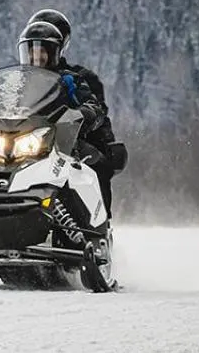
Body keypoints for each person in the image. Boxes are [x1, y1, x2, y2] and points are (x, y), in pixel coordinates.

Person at [17, 16, 125, 211]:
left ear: (53, 53)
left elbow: (92, 104)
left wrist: (84, 113)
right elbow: (1, 103)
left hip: (61, 140)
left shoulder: (69, 79)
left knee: (94, 163)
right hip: (21, 139)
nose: (37, 57)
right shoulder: (17, 83)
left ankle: (96, 223)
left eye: (42, 52)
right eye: (32, 52)